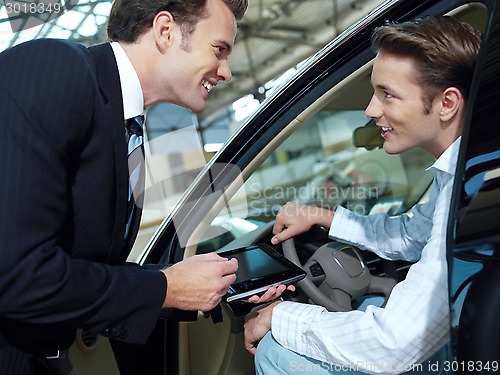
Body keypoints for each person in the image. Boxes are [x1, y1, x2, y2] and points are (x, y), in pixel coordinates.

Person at [0, 0, 290, 373]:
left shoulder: (126, 128)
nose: (227, 72)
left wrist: (199, 286)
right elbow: (16, 271)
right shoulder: (53, 68)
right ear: (165, 30)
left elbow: (81, 268)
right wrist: (166, 288)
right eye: (219, 50)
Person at [244, 16, 482, 374]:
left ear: (447, 103)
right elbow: (410, 234)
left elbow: (395, 344)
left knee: (278, 352)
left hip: (472, 353)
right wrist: (325, 217)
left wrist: (280, 315)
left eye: (388, 94)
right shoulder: (465, 173)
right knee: (368, 301)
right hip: (472, 333)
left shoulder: (471, 188)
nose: (371, 110)